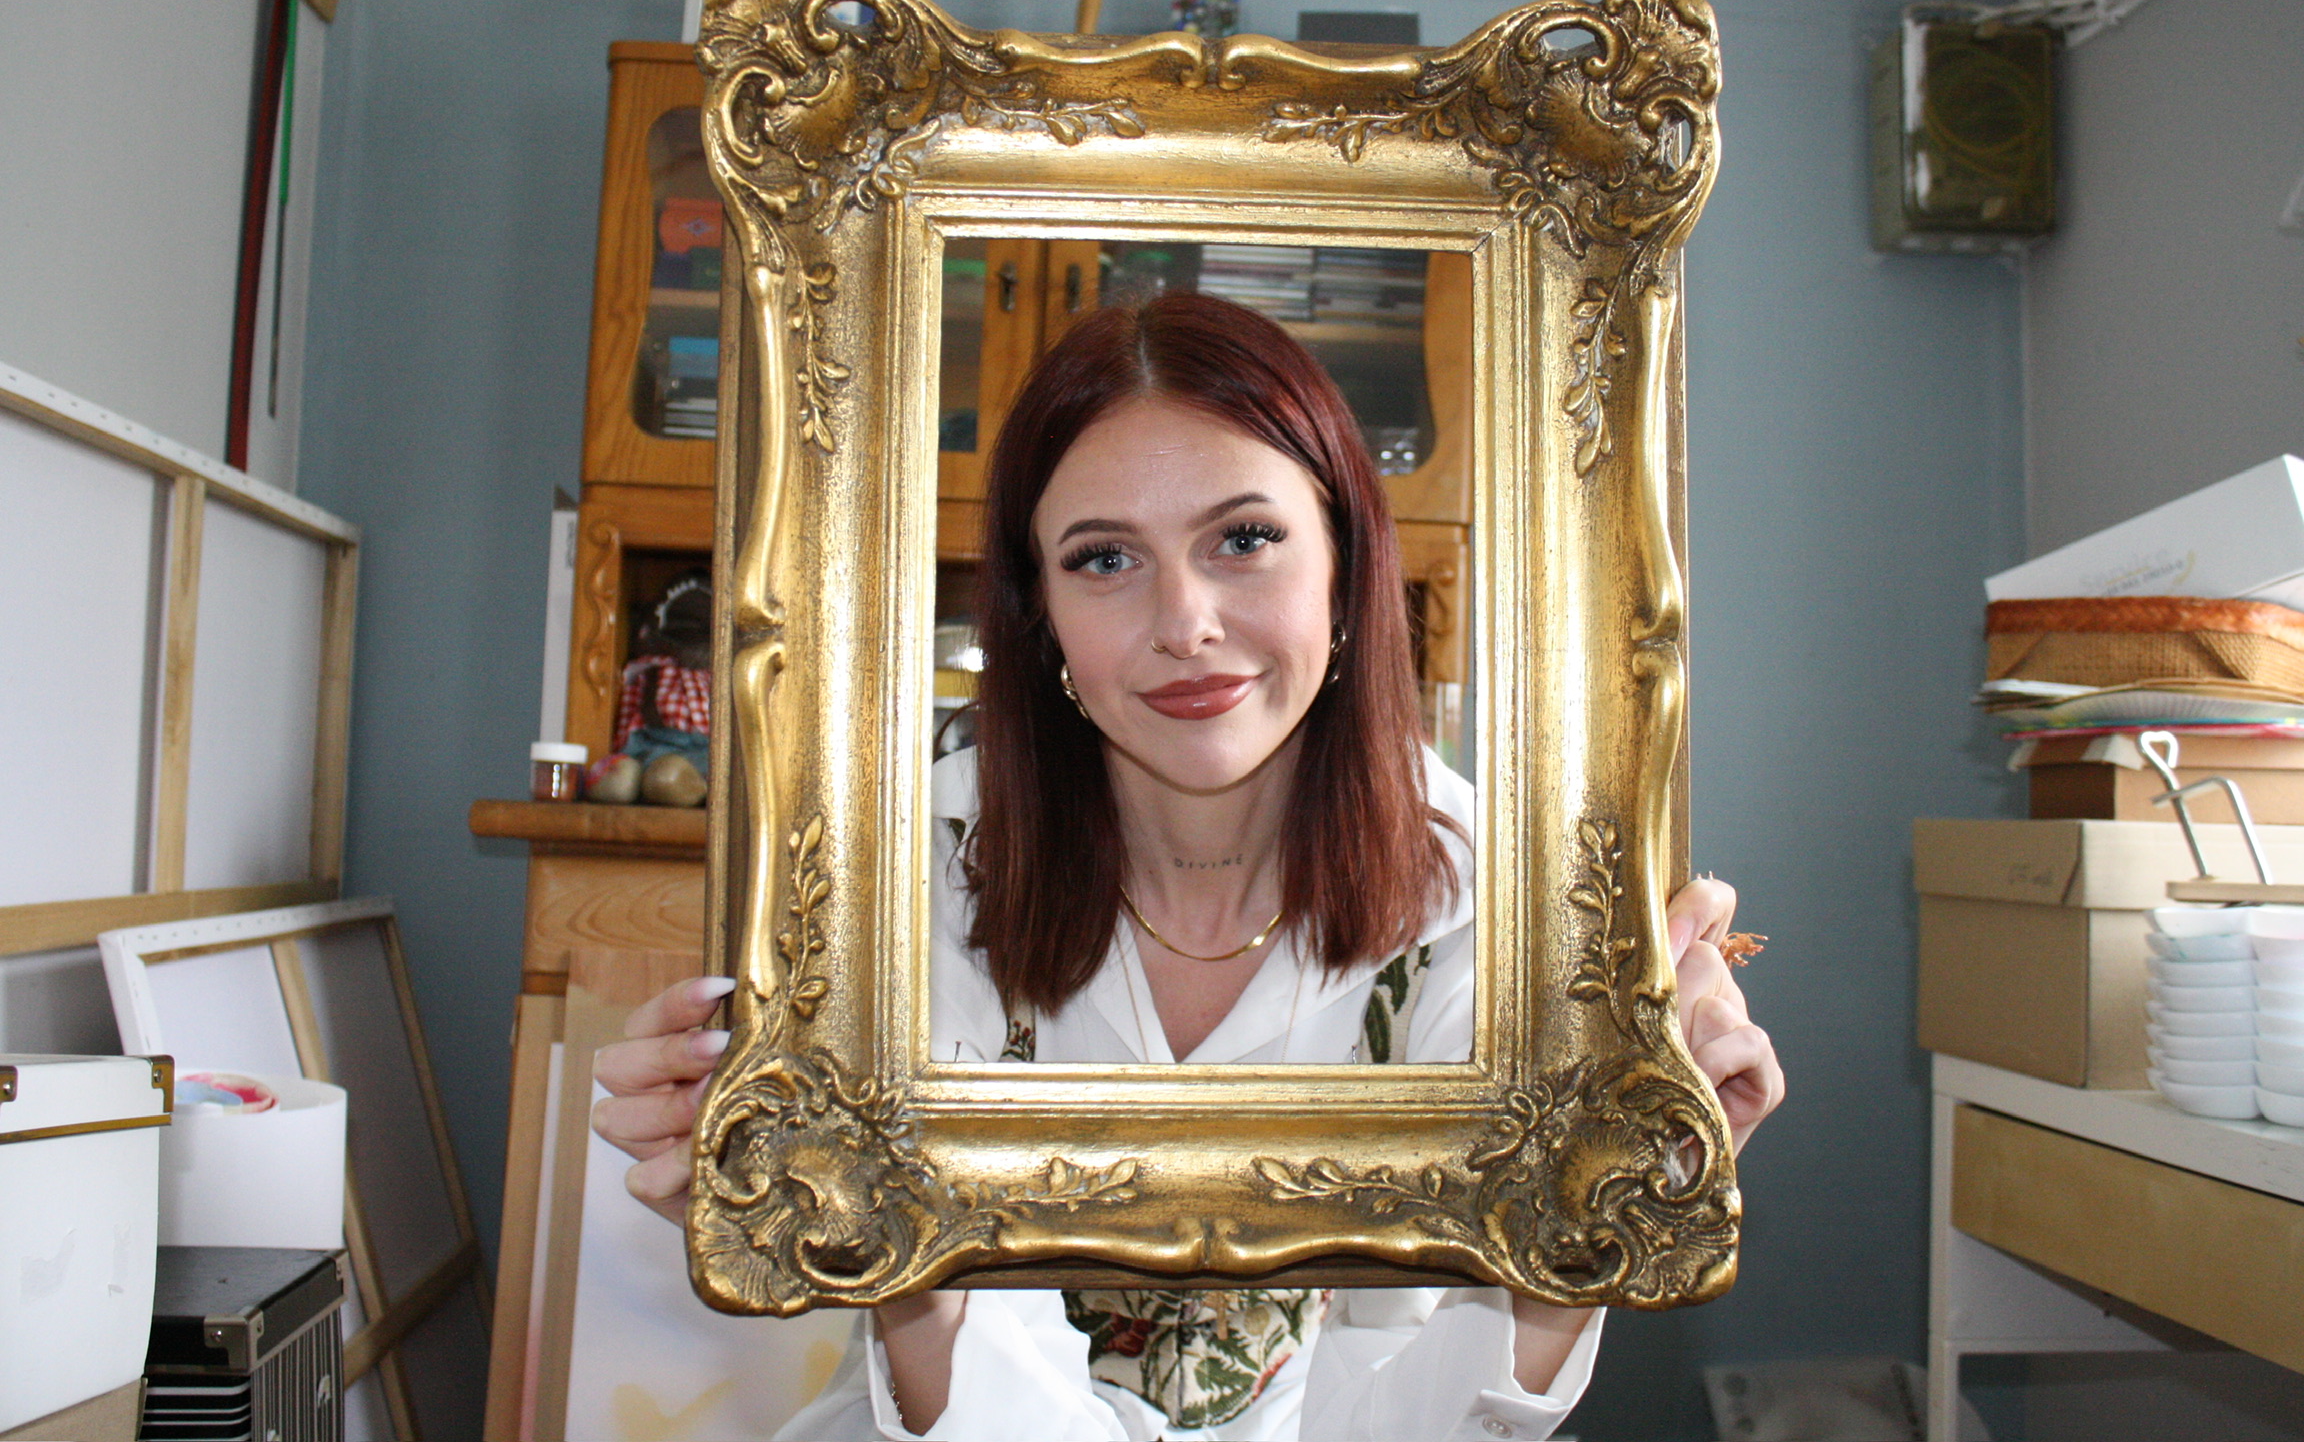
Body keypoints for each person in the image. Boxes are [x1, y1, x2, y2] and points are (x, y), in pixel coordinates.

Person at [594, 292, 1784, 1440]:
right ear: (1038, 613)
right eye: (1105, 560)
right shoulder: (901, 877)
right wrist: (818, 1193)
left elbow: (1416, 1416)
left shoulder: (1497, 905)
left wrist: (1592, 1215)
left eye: (1246, 539)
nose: (1186, 621)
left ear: (1347, 563)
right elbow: (965, 1384)